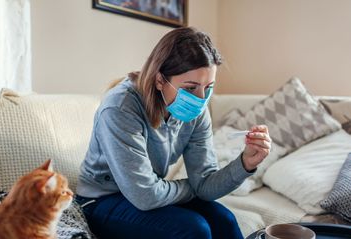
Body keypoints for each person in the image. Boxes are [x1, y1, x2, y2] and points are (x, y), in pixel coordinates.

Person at [75, 27, 271, 239]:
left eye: (209, 87)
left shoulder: (197, 110)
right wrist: (194, 188)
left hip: (146, 195)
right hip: (101, 200)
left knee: (225, 220)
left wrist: (245, 163)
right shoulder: (120, 108)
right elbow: (146, 195)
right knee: (194, 229)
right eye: (190, 88)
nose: (200, 98)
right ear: (160, 80)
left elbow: (205, 183)